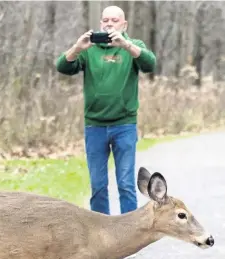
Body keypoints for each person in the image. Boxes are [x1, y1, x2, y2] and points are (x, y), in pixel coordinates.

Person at [56, 5, 156, 215]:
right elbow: (62, 67)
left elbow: (150, 64)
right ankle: (101, 238)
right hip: (95, 126)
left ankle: (130, 235)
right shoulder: (89, 49)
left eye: (114, 20)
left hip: (124, 125)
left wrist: (126, 45)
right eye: (105, 20)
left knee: (125, 184)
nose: (109, 24)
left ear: (124, 24)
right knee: (98, 186)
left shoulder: (133, 46)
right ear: (101, 23)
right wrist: (77, 47)